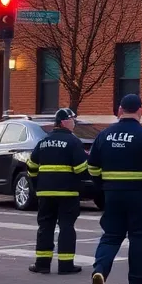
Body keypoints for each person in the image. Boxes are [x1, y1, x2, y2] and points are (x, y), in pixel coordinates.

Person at [87, 94, 142, 284]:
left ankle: (100, 271)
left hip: (113, 195)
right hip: (140, 195)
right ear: (140, 111)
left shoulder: (104, 135)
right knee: (139, 238)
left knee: (111, 236)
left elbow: (92, 167)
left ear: (120, 110)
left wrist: (103, 185)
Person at [27, 108, 89, 275]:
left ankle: (42, 264)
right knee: (66, 227)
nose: (74, 122)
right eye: (72, 119)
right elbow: (81, 169)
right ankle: (66, 264)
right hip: (67, 193)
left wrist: (38, 183)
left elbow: (31, 166)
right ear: (63, 122)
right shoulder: (73, 142)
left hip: (45, 193)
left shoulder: (43, 141)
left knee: (45, 227)